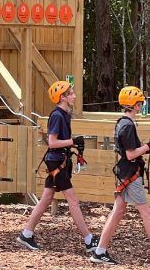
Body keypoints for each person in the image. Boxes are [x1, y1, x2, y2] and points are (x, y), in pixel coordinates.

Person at [90, 86, 150, 267]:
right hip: (130, 175)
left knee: (118, 211)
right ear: (134, 105)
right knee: (147, 214)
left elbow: (131, 150)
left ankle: (100, 251)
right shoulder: (127, 125)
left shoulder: (123, 123)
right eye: (140, 102)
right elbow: (130, 154)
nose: (141, 105)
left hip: (125, 174)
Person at [17, 81, 98, 255]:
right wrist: (73, 141)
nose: (74, 96)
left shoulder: (64, 114)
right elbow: (52, 142)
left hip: (58, 161)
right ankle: (89, 240)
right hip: (56, 163)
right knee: (73, 201)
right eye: (71, 93)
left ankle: (26, 234)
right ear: (62, 97)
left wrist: (73, 144)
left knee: (46, 199)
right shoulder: (57, 116)